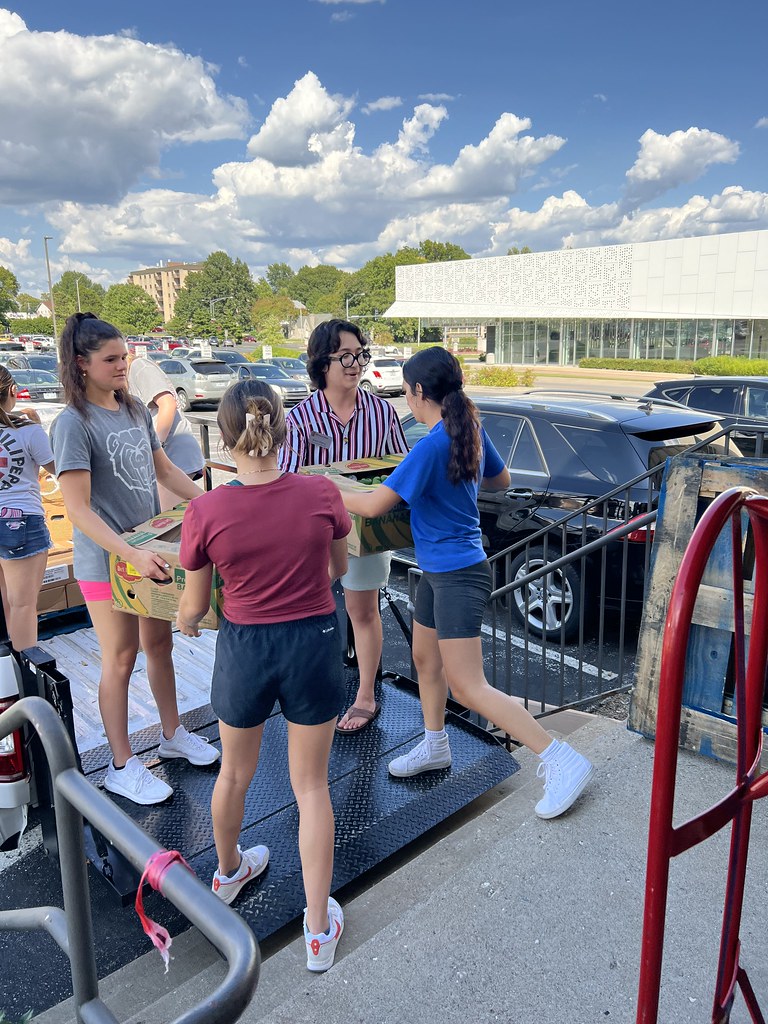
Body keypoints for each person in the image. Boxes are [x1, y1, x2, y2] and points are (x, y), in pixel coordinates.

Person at [336, 347, 594, 819]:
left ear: (417, 392)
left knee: (468, 685)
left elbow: (373, 506)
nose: (407, 402)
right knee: (423, 657)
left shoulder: (434, 443)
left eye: (407, 393)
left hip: (457, 574)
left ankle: (560, 758)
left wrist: (325, 486)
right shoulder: (465, 429)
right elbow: (501, 479)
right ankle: (436, 745)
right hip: (439, 569)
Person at [176, 379, 351, 972]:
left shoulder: (205, 510)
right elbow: (337, 569)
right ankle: (319, 931)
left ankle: (228, 873)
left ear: (223, 437)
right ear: (282, 429)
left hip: (245, 648)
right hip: (313, 642)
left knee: (235, 772)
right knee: (311, 787)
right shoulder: (322, 493)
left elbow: (195, 608)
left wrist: (185, 619)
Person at [51, 313, 219, 806]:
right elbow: (77, 508)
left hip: (148, 552)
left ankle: (172, 735)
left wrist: (215, 506)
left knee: (160, 646)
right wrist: (129, 553)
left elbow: (164, 471)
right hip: (107, 563)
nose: (123, 366)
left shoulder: (135, 410)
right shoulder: (72, 423)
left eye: (124, 356)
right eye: (111, 360)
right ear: (81, 364)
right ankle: (123, 766)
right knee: (120, 658)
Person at [279, 319, 408, 734]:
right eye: (345, 356)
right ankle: (313, 692)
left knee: (363, 612)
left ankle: (366, 694)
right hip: (310, 536)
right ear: (321, 364)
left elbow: (399, 470)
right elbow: (285, 481)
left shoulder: (382, 411)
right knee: (308, 615)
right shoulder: (299, 419)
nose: (355, 365)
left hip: (364, 537)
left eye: (360, 355)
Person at [0, 366, 55, 652]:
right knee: (23, 605)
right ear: (12, 392)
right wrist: (38, 427)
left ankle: (10, 670)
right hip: (19, 520)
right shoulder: (29, 431)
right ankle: (27, 677)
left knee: (8, 600)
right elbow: (60, 468)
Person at [127, 353, 205, 510]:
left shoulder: (139, 366)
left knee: (165, 522)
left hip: (173, 454)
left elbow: (168, 404)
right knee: (173, 519)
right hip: (169, 456)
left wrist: (156, 447)